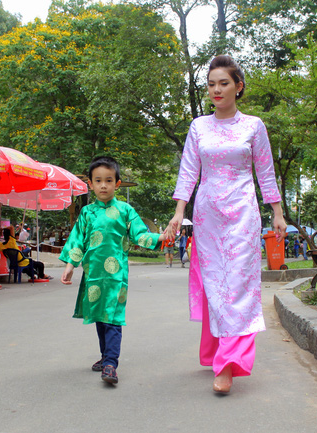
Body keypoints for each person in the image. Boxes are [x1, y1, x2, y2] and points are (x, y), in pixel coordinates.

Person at [166, 55, 287, 394]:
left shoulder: (253, 126)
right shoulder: (198, 126)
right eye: (211, 84)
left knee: (239, 286)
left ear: (238, 87)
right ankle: (219, 350)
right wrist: (179, 211)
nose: (216, 90)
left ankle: (228, 365)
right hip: (207, 216)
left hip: (243, 214)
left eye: (224, 83)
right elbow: (189, 170)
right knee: (216, 284)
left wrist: (277, 212)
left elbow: (265, 171)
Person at [60, 156, 168, 385]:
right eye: (98, 180)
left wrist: (161, 238)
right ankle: (105, 356)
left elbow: (140, 235)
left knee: (113, 318)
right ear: (90, 183)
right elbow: (77, 241)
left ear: (117, 183)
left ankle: (111, 363)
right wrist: (70, 266)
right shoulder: (87, 213)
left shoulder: (126, 210)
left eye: (108, 180)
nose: (103, 185)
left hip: (117, 277)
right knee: (101, 317)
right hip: (93, 276)